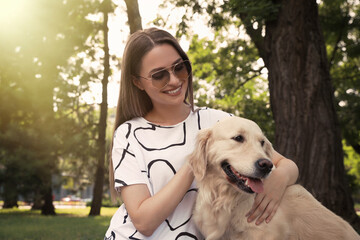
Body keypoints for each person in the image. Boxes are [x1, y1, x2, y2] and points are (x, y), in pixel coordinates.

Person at [104, 27, 299, 240]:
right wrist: (196, 160)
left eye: (179, 67)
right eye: (159, 75)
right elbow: (144, 222)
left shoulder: (220, 123)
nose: (175, 80)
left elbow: (284, 164)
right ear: (137, 82)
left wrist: (279, 180)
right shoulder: (128, 134)